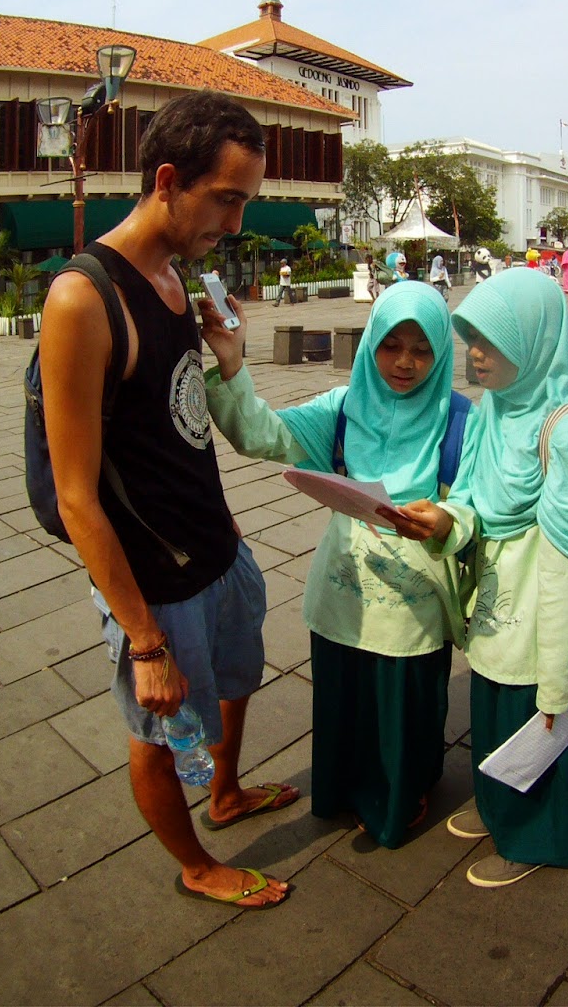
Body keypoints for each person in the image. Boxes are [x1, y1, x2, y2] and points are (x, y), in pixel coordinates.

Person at [38, 89, 295, 910]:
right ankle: (195, 864)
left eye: (245, 201)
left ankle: (226, 793)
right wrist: (145, 642)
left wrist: (230, 359)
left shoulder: (177, 278)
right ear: (167, 181)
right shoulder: (83, 299)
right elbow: (75, 495)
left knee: (238, 676)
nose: (236, 222)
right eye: (226, 198)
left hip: (217, 545)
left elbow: (178, 419)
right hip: (154, 578)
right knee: (157, 733)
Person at [201, 281, 463, 847]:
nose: (405, 363)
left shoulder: (459, 420)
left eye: (423, 350)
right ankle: (345, 787)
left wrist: (447, 519)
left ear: (442, 353)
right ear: (372, 343)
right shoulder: (343, 408)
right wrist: (232, 363)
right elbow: (261, 434)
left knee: (404, 703)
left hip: (413, 600)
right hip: (344, 589)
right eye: (392, 345)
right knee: (346, 695)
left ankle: (401, 794)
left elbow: (479, 503)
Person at [408, 268, 568, 888]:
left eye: (493, 341)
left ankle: (536, 839)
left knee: (537, 717)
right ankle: (499, 804)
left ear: (535, 342)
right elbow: (472, 500)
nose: (475, 353)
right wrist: (445, 519)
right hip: (497, 605)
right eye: (472, 337)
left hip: (542, 609)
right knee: (493, 711)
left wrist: (562, 678)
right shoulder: (494, 409)